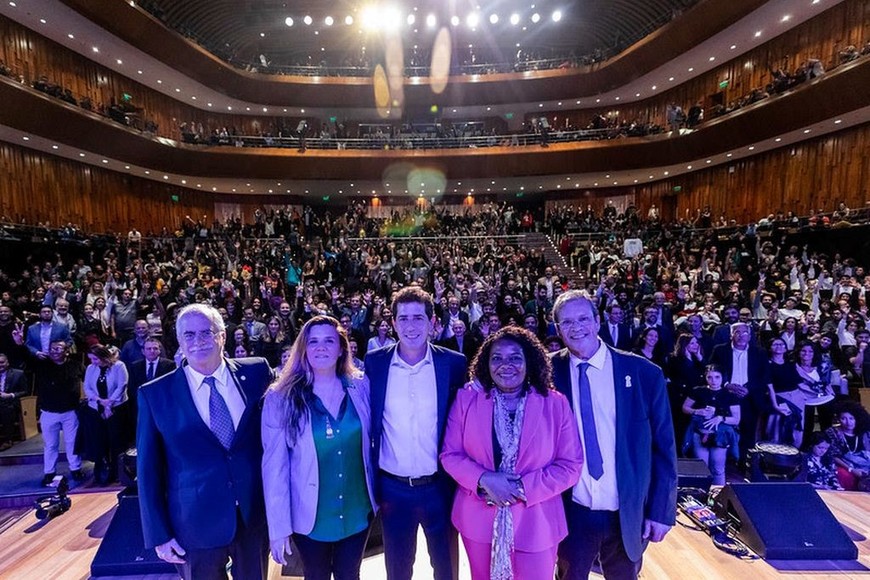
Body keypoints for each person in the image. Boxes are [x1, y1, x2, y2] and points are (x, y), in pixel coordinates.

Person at [137, 303, 272, 579]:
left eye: (206, 332)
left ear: (222, 336)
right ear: (178, 341)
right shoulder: (155, 394)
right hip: (193, 523)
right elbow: (148, 471)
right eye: (189, 335)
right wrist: (158, 535)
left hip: (253, 516)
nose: (198, 341)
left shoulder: (257, 373)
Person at [550, 291, 677, 580]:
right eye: (566, 322)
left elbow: (664, 449)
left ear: (597, 321)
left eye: (583, 318)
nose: (576, 327)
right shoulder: (548, 371)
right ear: (558, 330)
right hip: (572, 510)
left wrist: (661, 511)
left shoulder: (644, 373)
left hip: (627, 512)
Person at [441, 327, 582, 580]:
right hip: (478, 520)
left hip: (538, 522)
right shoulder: (467, 399)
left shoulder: (555, 403)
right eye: (497, 358)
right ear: (487, 363)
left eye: (515, 357)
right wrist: (484, 479)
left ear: (530, 361)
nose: (506, 365)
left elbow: (570, 465)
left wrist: (521, 488)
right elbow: (450, 455)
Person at [262, 315, 377, 579]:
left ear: (341, 348)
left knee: (351, 574)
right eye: (313, 342)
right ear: (303, 349)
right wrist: (278, 528)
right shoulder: (280, 397)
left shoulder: (361, 386)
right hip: (310, 516)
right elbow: (274, 467)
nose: (321, 347)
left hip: (357, 511)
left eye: (329, 341)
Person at [365, 286, 467, 580]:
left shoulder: (453, 363)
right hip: (393, 487)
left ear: (432, 323)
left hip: (440, 485)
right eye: (404, 318)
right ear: (393, 323)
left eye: (418, 318)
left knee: (446, 569)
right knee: (398, 569)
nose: (411, 326)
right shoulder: (376, 362)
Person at [13, 331, 84, 485]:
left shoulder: (75, 365)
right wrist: (20, 343)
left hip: (70, 411)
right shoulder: (42, 364)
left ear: (67, 351)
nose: (54, 351)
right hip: (48, 411)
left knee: (72, 442)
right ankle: (49, 472)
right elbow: (25, 357)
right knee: (50, 445)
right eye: (52, 349)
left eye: (58, 349)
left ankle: (75, 469)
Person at [681, 365, 741, 485]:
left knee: (718, 468)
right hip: (700, 433)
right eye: (710, 377)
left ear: (722, 378)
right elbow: (685, 407)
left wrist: (721, 418)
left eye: (717, 377)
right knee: (701, 468)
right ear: (706, 378)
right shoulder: (698, 391)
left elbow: (736, 419)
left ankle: (718, 497)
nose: (714, 381)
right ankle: (701, 497)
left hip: (719, 436)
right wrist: (697, 411)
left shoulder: (730, 395)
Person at [81, 344, 129, 485]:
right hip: (96, 408)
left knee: (116, 441)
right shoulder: (91, 368)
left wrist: (109, 403)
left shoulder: (119, 366)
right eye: (91, 359)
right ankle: (102, 473)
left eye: (95, 359)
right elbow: (87, 387)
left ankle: (118, 472)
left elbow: (122, 385)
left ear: (103, 356)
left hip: (116, 408)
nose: (93, 362)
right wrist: (100, 401)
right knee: (99, 441)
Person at [126, 337, 175, 443]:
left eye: (155, 348)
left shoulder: (169, 365)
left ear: (159, 350)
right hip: (141, 407)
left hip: (162, 407)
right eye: (149, 349)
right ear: (143, 351)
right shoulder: (135, 366)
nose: (152, 351)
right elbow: (132, 388)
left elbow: (171, 388)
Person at [824, 402, 870, 491]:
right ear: (838, 419)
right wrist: (851, 469)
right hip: (844, 465)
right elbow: (833, 456)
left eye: (851, 418)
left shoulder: (865, 433)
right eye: (843, 418)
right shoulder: (832, 432)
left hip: (865, 464)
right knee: (844, 475)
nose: (848, 422)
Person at [0, 352, 28, 450]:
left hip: (13, 402)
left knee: (6, 409)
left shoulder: (18, 374)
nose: (0, 365)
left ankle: (8, 440)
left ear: (7, 362)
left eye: (2, 362)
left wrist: (10, 395)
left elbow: (25, 392)